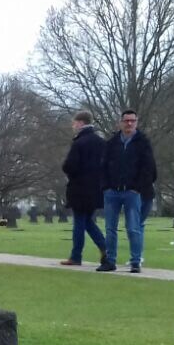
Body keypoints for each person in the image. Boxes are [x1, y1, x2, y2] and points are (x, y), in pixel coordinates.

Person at [99, 109, 156, 273]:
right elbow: (103, 166)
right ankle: (110, 260)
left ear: (136, 122)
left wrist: (137, 188)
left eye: (132, 121)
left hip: (132, 192)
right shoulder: (111, 143)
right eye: (126, 121)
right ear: (121, 122)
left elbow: (149, 168)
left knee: (133, 228)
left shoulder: (143, 143)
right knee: (110, 228)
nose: (129, 123)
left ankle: (135, 261)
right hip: (112, 192)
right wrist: (105, 187)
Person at [60, 111, 107, 266]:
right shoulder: (101, 142)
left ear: (81, 123)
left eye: (74, 123)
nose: (73, 126)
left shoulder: (79, 142)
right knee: (88, 221)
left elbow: (69, 166)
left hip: (79, 188)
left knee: (79, 222)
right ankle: (105, 248)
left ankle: (76, 255)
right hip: (96, 188)